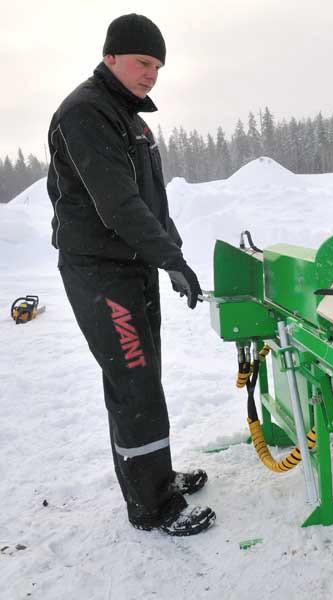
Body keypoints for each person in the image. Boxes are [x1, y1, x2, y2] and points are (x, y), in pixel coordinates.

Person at [47, 14, 215, 536]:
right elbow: (118, 204)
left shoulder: (129, 117)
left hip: (133, 266)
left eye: (159, 66)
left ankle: (153, 476)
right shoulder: (85, 114)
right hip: (102, 273)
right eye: (144, 62)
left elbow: (150, 201)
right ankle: (152, 506)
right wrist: (168, 257)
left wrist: (173, 256)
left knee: (143, 380)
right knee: (134, 385)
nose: (152, 74)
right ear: (111, 56)